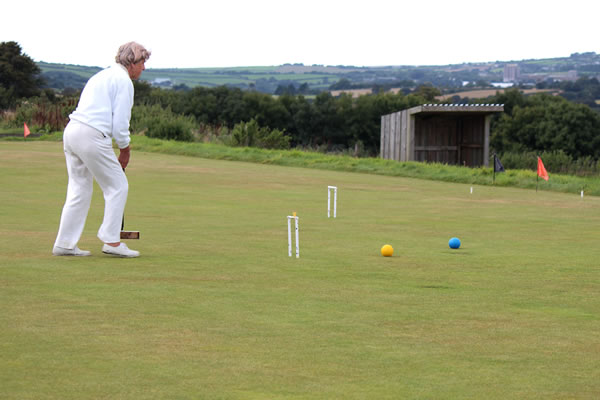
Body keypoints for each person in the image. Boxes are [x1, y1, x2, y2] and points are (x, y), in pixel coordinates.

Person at [52, 42, 150, 258]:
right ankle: (112, 242)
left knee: (79, 188)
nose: (144, 68)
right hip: (92, 134)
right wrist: (125, 149)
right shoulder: (124, 81)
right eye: (142, 62)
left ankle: (65, 244)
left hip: (72, 132)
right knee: (118, 186)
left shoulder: (100, 76)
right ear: (131, 62)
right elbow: (120, 124)